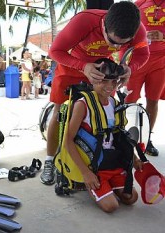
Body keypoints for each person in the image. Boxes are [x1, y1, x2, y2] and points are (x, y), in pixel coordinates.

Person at [40, 1, 150, 185]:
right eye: (113, 41)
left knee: (103, 117)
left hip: (102, 72)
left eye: (123, 44)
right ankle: (50, 160)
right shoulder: (85, 20)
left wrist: (129, 68)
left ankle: (94, 158)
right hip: (71, 67)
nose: (116, 47)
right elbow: (55, 51)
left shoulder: (137, 28)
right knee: (59, 115)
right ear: (105, 24)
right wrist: (82, 66)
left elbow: (143, 54)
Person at [65, 58, 143, 213]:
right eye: (104, 81)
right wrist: (86, 173)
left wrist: (134, 158)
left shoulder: (114, 103)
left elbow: (120, 136)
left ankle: (110, 184)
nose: (109, 86)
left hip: (111, 161)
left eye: (114, 82)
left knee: (131, 198)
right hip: (93, 165)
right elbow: (68, 140)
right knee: (111, 206)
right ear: (92, 79)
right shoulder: (83, 104)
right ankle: (95, 184)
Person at [125, 0, 165, 157]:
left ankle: (146, 139)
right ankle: (124, 138)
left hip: (160, 61)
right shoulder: (138, 4)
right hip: (138, 58)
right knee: (129, 101)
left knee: (153, 100)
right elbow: (126, 29)